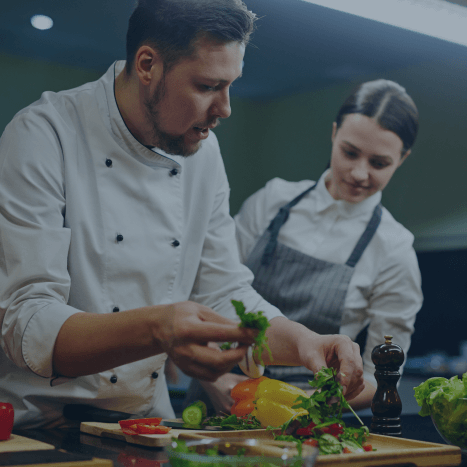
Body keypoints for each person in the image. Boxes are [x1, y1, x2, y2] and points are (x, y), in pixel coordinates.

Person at [0, 0, 364, 429]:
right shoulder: (45, 135)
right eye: (208, 86)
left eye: (231, 85)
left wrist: (306, 342)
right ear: (148, 64)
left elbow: (223, 292)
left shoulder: (203, 152)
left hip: (146, 427)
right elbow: (26, 320)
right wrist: (158, 328)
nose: (226, 108)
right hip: (39, 428)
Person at [187, 79, 423, 413]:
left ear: (402, 158)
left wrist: (308, 404)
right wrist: (216, 381)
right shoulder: (272, 201)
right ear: (333, 134)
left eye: (379, 163)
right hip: (216, 394)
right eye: (350, 152)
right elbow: (207, 292)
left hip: (304, 417)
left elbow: (380, 375)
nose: (359, 173)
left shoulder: (395, 251)